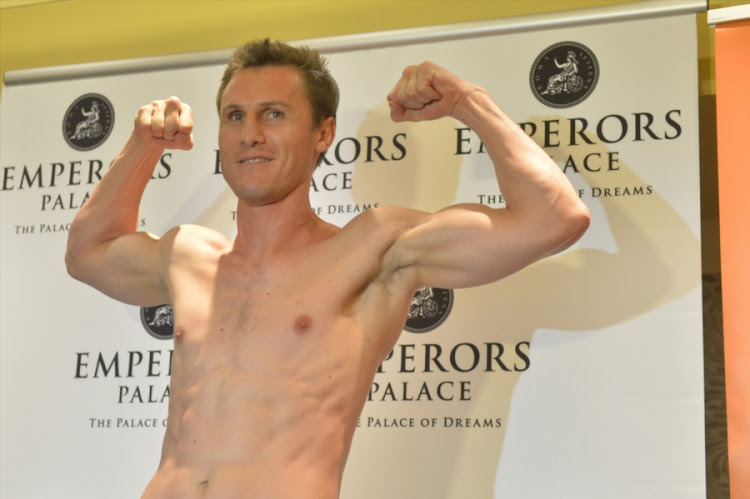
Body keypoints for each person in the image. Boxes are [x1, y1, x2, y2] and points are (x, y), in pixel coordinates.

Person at [65, 39, 589, 499]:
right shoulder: (188, 256)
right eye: (235, 115)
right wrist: (143, 146)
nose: (250, 133)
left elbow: (554, 219)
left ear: (323, 134)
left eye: (273, 114)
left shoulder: (375, 251)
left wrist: (468, 103)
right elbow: (87, 253)